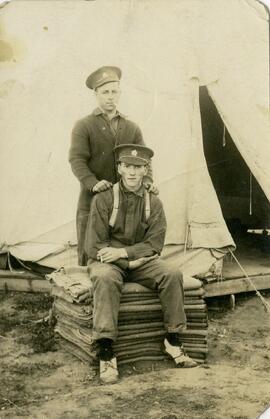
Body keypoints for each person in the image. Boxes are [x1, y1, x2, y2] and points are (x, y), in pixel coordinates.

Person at [85, 144, 197, 384]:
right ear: (119, 168)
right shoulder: (104, 199)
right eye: (127, 166)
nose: (133, 172)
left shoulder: (154, 202)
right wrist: (122, 259)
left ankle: (173, 340)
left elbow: (155, 243)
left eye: (138, 167)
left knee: (172, 274)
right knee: (104, 278)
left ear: (146, 169)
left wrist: (124, 254)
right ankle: (106, 352)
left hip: (139, 260)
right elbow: (94, 245)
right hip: (108, 262)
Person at [69, 66, 157, 266]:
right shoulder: (84, 125)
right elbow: (77, 160)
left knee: (120, 255)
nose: (110, 97)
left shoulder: (131, 127)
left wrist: (148, 181)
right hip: (91, 201)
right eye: (105, 92)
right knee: (89, 252)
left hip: (124, 204)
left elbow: (145, 160)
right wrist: (93, 183)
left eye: (114, 91)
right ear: (96, 94)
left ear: (120, 93)